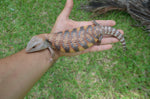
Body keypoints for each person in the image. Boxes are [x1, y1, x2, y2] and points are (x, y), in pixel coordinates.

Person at [0, 0, 124, 98]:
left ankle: (120, 41)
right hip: (93, 30)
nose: (30, 49)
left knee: (111, 34)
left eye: (34, 46)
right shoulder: (50, 42)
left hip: (94, 32)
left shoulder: (51, 42)